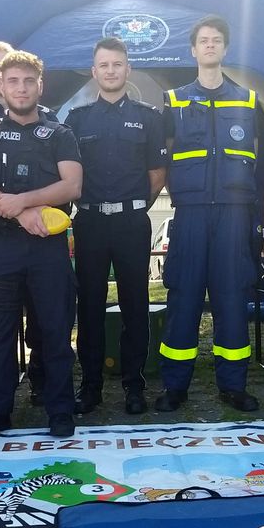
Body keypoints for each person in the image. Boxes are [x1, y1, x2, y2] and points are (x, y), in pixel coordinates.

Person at [0, 50, 82, 440]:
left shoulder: (60, 133)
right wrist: (19, 214)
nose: (21, 88)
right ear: (1, 84)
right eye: (13, 81)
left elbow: (72, 186)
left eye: (29, 81)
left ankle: (60, 410)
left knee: (55, 331)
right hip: (0, 246)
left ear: (40, 86)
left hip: (48, 247)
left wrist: (25, 202)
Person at [156, 15, 264, 413]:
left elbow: (261, 164)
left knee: (232, 298)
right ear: (193, 50)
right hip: (190, 214)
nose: (209, 45)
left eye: (216, 40)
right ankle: (175, 387)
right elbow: (163, 158)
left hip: (234, 215)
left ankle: (233, 386)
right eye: (203, 40)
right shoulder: (173, 101)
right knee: (183, 298)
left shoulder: (248, 101)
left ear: (225, 48)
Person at [65, 37, 166, 415]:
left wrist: (133, 207)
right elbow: (68, 174)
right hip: (90, 222)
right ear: (94, 72)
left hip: (131, 223)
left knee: (135, 304)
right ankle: (90, 386)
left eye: (117, 64)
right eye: (104, 65)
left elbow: (157, 175)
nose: (111, 71)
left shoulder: (149, 117)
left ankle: (134, 385)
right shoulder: (76, 120)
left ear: (128, 69)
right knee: (89, 305)